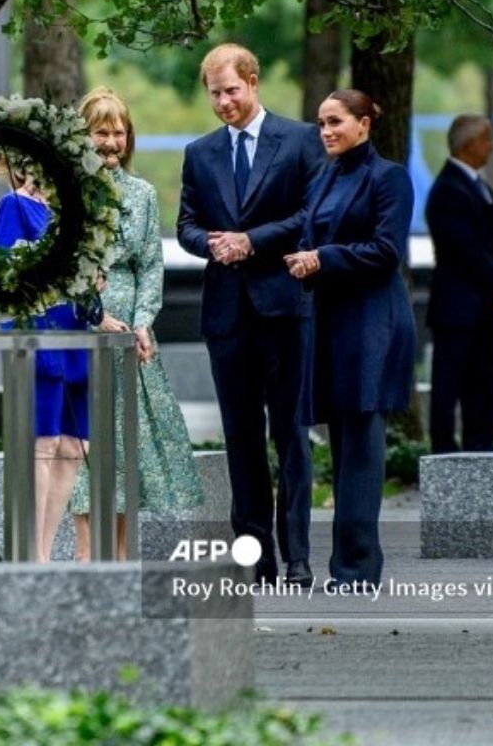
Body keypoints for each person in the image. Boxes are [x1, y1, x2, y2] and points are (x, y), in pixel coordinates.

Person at [176, 43, 324, 588]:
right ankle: (254, 556)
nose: (223, 103)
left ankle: (299, 555)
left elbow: (312, 215)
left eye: (231, 91)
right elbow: (186, 224)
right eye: (215, 94)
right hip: (227, 315)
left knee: (291, 435)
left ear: (254, 82)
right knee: (240, 439)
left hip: (286, 309)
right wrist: (211, 244)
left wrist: (251, 241)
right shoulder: (200, 152)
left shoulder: (301, 140)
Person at [284, 89, 415, 589]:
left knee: (361, 444)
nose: (326, 132)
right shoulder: (324, 176)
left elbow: (386, 250)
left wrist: (324, 259)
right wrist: (304, 258)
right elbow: (309, 237)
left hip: (372, 322)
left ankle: (358, 569)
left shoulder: (389, 178)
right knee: (342, 443)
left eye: (335, 122)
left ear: (364, 124)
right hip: (331, 320)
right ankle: (347, 565)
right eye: (320, 123)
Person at [70, 87, 203, 560]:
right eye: (100, 132)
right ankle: (86, 549)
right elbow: (63, 266)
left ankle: (125, 549)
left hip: (133, 332)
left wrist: (143, 322)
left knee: (131, 444)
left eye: (118, 132)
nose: (110, 142)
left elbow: (151, 263)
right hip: (85, 327)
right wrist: (93, 312)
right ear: (82, 137)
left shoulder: (143, 194)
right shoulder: (68, 194)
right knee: (88, 438)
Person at [0, 157, 90, 562]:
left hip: (80, 331)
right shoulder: (13, 205)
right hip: (41, 331)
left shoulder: (74, 207)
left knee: (74, 444)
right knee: (43, 442)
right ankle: (30, 555)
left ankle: (44, 551)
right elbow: (8, 277)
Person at [425, 115, 493, 453]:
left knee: (484, 387)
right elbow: (463, 249)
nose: (491, 146)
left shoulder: (480, 186)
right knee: (449, 387)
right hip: (457, 309)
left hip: (485, 306)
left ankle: (481, 452)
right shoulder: (448, 189)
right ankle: (445, 457)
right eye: (486, 139)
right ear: (468, 145)